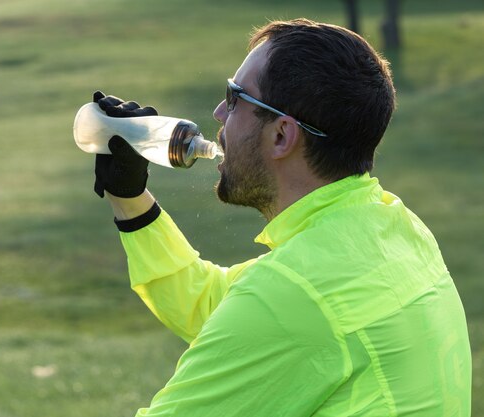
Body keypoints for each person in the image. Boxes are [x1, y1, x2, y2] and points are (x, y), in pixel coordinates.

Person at [91, 18, 472, 416]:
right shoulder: (394, 226)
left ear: (281, 136)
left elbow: (273, 315)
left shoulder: (295, 294)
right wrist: (130, 198)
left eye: (235, 97)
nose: (219, 112)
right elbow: (216, 308)